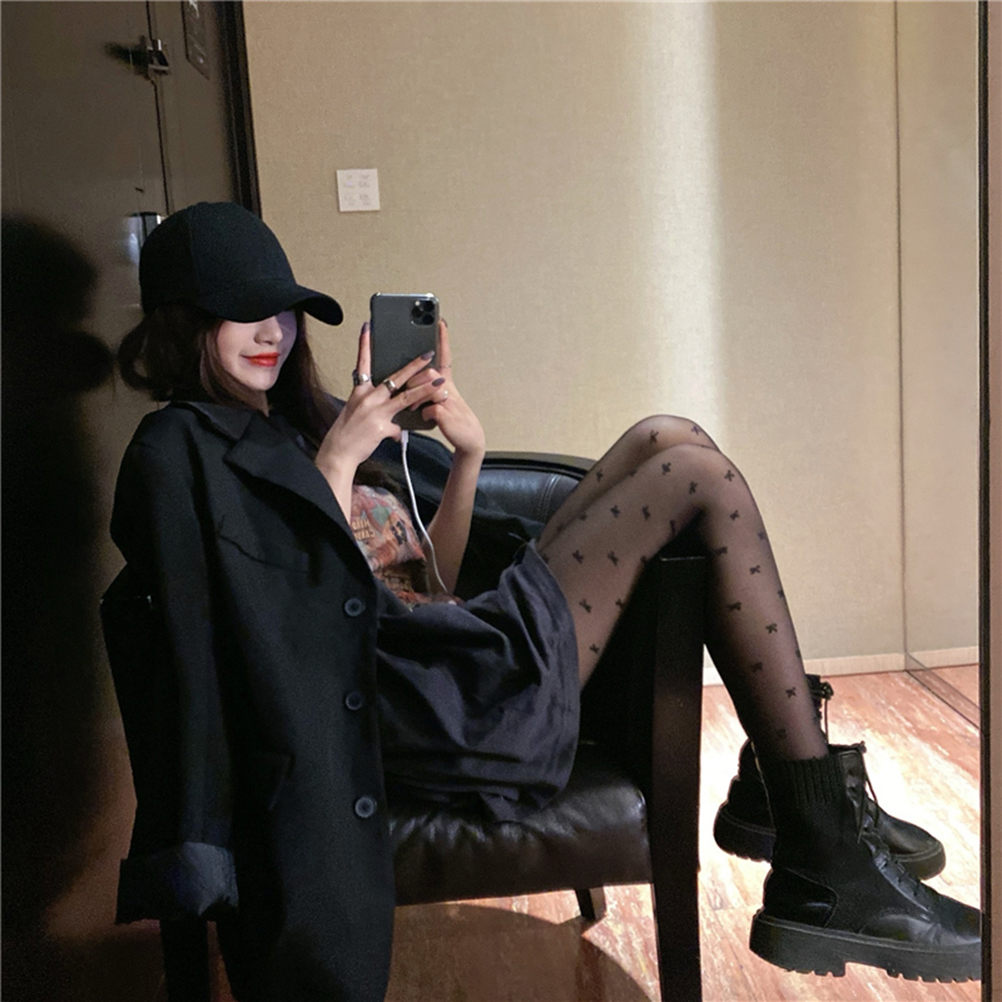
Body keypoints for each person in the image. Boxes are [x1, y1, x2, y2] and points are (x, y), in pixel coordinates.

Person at [105, 202, 979, 1002]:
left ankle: (787, 799)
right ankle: (820, 841)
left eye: (285, 311)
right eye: (242, 313)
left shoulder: (295, 420)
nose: (273, 332)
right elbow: (274, 634)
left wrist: (468, 458)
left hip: (446, 643)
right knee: (691, 475)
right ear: (182, 323)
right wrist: (336, 465)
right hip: (431, 703)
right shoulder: (177, 451)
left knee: (666, 436)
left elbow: (428, 578)